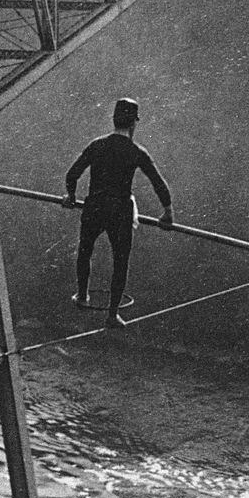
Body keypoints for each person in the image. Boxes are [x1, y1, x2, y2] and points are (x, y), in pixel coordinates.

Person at [63, 98, 173, 328]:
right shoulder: (136, 152)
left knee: (85, 250)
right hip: (120, 212)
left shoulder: (97, 145)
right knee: (120, 262)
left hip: (95, 207)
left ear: (114, 119)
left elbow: (72, 174)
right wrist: (167, 212)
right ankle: (113, 315)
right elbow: (158, 183)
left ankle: (82, 295)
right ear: (133, 123)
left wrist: (71, 196)